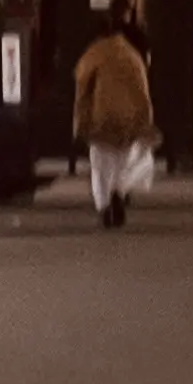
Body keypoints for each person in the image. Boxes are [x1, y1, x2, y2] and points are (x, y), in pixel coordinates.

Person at [72, 12, 156, 230]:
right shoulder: (132, 56)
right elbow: (143, 93)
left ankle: (104, 206)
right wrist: (145, 119)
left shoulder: (94, 54)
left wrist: (80, 121)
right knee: (128, 162)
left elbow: (82, 89)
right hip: (129, 119)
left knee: (100, 166)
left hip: (101, 117)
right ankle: (119, 190)